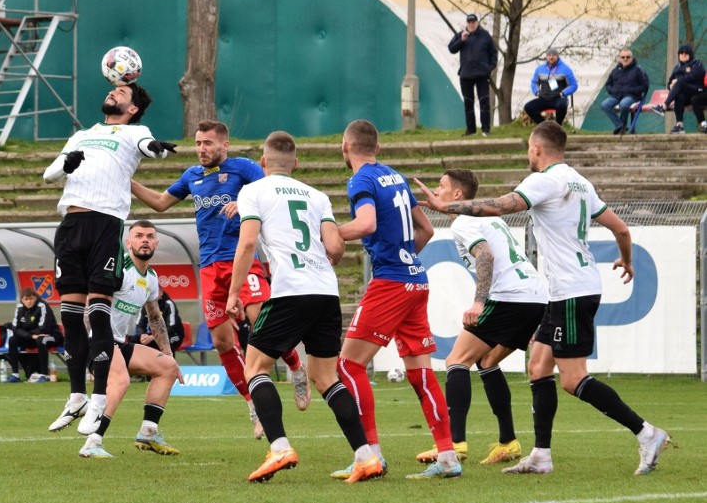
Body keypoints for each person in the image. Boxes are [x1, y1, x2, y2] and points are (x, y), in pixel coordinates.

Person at [416, 120, 671, 476]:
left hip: (571, 291)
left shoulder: (544, 180)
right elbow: (621, 228)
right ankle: (541, 454)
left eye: (528, 149)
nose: (527, 155)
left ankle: (646, 433)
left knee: (573, 379)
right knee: (538, 367)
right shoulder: (580, 182)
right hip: (560, 292)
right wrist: (627, 260)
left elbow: (503, 205)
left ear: (537, 148)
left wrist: (450, 209)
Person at [130, 119, 311, 439]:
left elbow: (271, 187)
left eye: (208, 144)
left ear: (224, 146)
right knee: (223, 341)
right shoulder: (192, 176)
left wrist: (242, 201)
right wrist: (128, 182)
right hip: (211, 268)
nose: (201, 149)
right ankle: (252, 402)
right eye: (198, 143)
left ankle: (296, 367)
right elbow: (160, 203)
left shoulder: (243, 169)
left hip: (244, 260)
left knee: (261, 322)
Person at [224, 131, 382, 484]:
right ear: (295, 163)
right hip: (325, 291)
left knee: (255, 368)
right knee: (326, 377)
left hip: (289, 291)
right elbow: (335, 246)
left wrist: (234, 292)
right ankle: (365, 456)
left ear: (263, 162)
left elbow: (248, 240)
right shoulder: (317, 195)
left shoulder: (253, 190)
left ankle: (279, 446)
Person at [330, 119, 461, 481]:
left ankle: (371, 456)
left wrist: (326, 232)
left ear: (345, 147)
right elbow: (428, 229)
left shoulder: (361, 180)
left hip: (390, 282)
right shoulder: (395, 176)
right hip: (416, 280)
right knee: (421, 373)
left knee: (348, 366)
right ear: (378, 148)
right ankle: (448, 457)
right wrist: (405, 260)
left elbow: (366, 224)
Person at [43, 83, 176, 434]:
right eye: (113, 89)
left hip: (105, 225)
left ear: (132, 108)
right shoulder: (82, 135)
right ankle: (76, 397)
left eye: (121, 92)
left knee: (98, 312)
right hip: (70, 224)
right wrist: (65, 164)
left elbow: (149, 147)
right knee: (71, 316)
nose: (114, 93)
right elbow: (49, 175)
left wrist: (158, 149)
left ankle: (99, 398)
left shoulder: (135, 131)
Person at [414, 169, 547, 468]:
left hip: (511, 297)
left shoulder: (464, 221)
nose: (436, 189)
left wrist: (478, 302)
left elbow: (485, 256)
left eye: (442, 185)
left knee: (456, 361)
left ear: (458, 195)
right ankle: (508, 442)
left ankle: (455, 444)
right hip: (535, 296)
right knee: (487, 362)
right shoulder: (491, 217)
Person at [78, 220, 183, 458]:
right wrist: (93, 346)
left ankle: (149, 431)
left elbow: (155, 317)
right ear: (128, 243)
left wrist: (168, 353)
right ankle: (92, 442)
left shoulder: (152, 277)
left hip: (118, 342)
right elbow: (89, 308)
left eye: (149, 236)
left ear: (156, 243)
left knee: (168, 368)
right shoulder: (117, 269)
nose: (144, 240)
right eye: (138, 236)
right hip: (98, 340)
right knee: (121, 381)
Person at [447, 13, 498, 136]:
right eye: (469, 22)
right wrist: (462, 40)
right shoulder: (461, 35)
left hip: (482, 75)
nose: (471, 24)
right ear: (466, 23)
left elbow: (493, 53)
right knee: (468, 102)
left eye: (473, 22)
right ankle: (471, 130)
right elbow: (451, 49)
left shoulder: (485, 36)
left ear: (477, 23)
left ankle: (486, 129)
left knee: (484, 102)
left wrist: (489, 68)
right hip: (466, 75)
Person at [3, 287, 64, 382]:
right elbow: (15, 328)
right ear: (22, 300)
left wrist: (27, 334)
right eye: (26, 299)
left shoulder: (42, 306)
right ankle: (15, 375)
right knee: (12, 340)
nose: (29, 302)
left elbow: (43, 328)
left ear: (35, 298)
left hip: (52, 336)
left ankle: (44, 375)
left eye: (31, 298)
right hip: (31, 338)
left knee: (41, 339)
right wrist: (30, 336)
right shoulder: (19, 308)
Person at [651, 44, 706, 134]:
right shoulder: (677, 67)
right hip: (686, 95)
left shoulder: (697, 63)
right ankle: (680, 126)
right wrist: (670, 86)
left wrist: (678, 81)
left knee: (679, 82)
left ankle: (664, 106)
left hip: (698, 91)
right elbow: (669, 82)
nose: (683, 54)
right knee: (679, 96)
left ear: (690, 54)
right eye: (681, 53)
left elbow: (695, 75)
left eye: (686, 53)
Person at [600, 48, 649, 135]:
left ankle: (621, 129)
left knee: (624, 104)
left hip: (632, 96)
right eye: (623, 57)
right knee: (605, 104)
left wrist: (633, 91)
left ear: (632, 58)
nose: (625, 59)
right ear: (619, 58)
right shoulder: (615, 70)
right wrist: (612, 91)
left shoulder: (638, 69)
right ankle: (620, 125)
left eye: (628, 57)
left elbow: (645, 85)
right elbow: (608, 84)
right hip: (616, 96)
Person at [523, 48, 578, 125]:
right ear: (546, 57)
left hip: (558, 98)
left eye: (553, 55)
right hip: (543, 98)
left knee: (562, 105)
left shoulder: (565, 69)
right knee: (528, 107)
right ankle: (544, 125)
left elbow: (574, 85)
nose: (551, 57)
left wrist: (563, 93)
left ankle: (558, 125)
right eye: (549, 55)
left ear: (557, 57)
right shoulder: (539, 69)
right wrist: (537, 92)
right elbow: (534, 83)